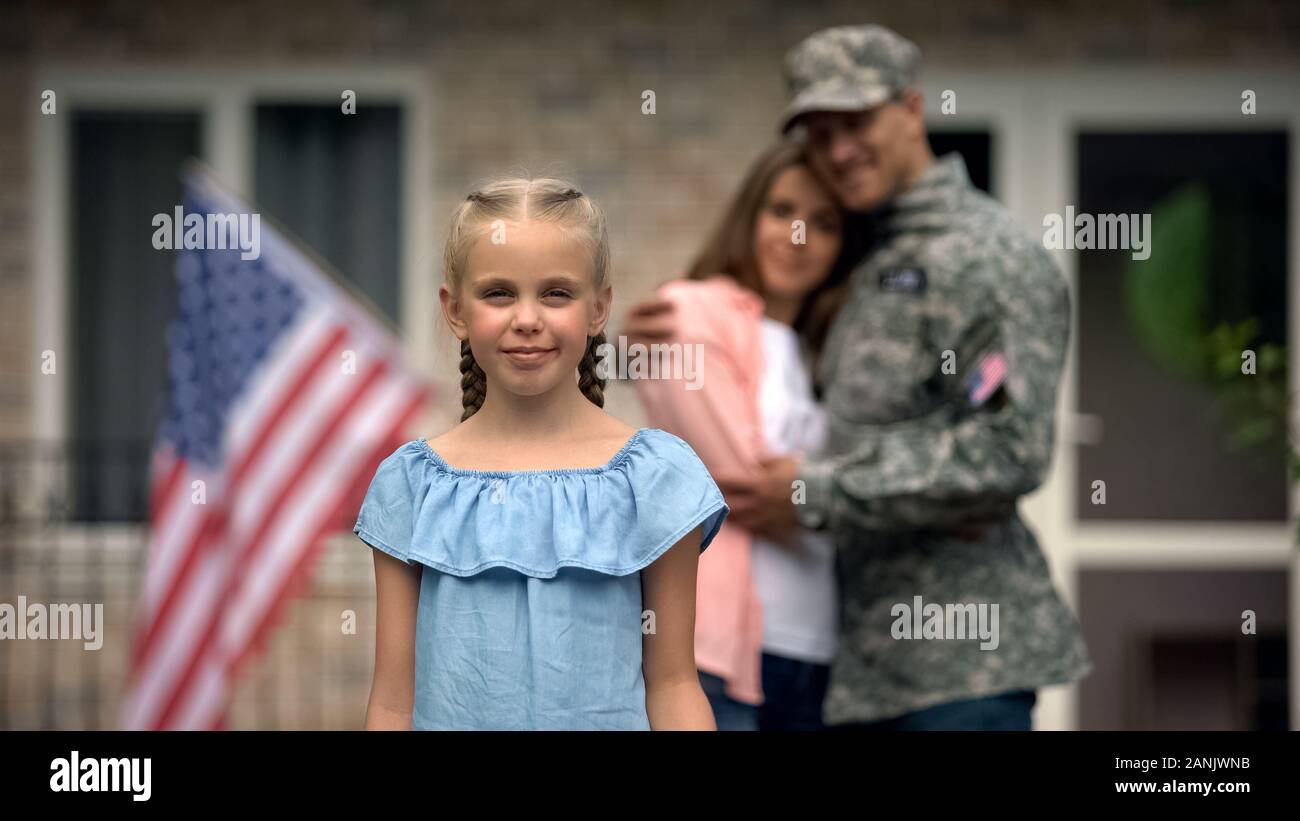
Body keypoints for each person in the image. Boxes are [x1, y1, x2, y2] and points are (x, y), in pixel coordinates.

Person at [620, 24, 1091, 730]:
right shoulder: (864, 257)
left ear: (911, 109)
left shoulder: (987, 256)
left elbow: (1009, 448)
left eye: (857, 122)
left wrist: (819, 491)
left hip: (960, 666)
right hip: (850, 675)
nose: (839, 150)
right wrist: (662, 341)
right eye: (819, 131)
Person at [355, 176, 728, 730]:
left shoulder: (654, 478)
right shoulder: (412, 484)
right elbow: (391, 701)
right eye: (498, 292)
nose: (527, 318)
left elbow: (673, 685)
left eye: (556, 293)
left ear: (599, 308)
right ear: (454, 309)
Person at [631, 140, 867, 730]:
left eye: (824, 223)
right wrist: (846, 494)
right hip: (717, 651)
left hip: (815, 648)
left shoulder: (832, 349)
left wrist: (812, 492)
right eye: (781, 210)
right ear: (748, 216)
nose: (797, 236)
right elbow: (742, 480)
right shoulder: (689, 313)